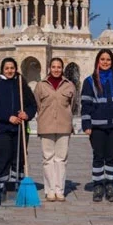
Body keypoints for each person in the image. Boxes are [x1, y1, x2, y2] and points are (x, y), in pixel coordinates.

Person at [81, 48, 113, 202]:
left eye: (108, 60)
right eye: (102, 59)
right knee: (98, 156)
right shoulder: (89, 81)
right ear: (98, 61)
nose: (105, 62)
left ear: (112, 62)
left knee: (111, 156)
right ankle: (98, 185)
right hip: (97, 125)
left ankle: (110, 184)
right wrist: (86, 124)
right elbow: (86, 104)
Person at [0, 57, 37, 198]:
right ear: (3, 70)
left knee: (19, 157)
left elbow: (32, 105)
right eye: (7, 68)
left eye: (12, 68)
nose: (10, 71)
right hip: (3, 128)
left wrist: (26, 114)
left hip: (20, 129)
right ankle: (2, 184)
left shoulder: (22, 86)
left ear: (16, 69)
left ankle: (18, 183)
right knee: (3, 156)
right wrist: (8, 117)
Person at [33, 57, 75, 202]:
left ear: (62, 69)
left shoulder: (69, 85)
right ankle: (50, 189)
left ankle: (59, 189)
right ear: (49, 68)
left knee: (61, 159)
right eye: (54, 67)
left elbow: (72, 105)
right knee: (48, 159)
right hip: (46, 125)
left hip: (64, 126)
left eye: (59, 67)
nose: (56, 69)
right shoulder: (41, 85)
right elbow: (38, 103)